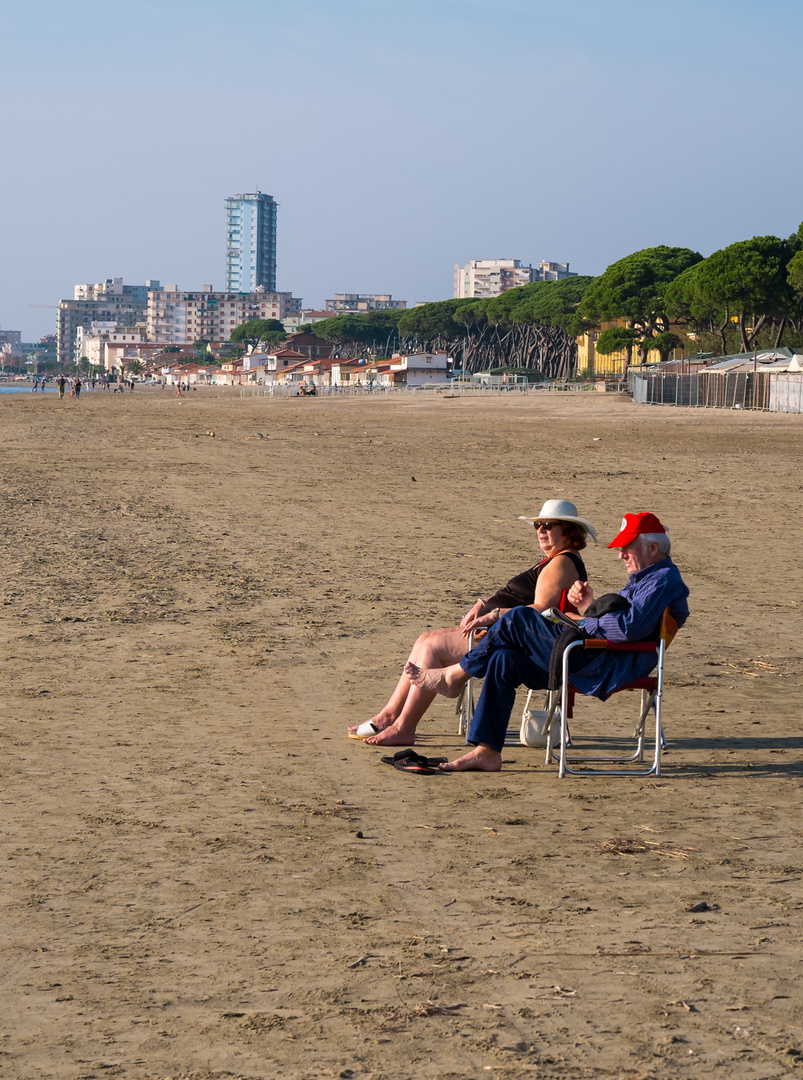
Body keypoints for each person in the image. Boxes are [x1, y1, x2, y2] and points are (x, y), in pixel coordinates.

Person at [405, 512, 690, 772]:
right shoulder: (645, 579)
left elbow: (627, 630)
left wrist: (585, 620)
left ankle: (455, 675)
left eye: (627, 547)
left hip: (600, 663)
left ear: (653, 548)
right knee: (504, 658)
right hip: (591, 652)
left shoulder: (663, 581)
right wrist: (589, 608)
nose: (621, 555)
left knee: (517, 619)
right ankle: (487, 750)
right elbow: (618, 623)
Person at [350, 500, 597, 747]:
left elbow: (540, 610)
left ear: (567, 530)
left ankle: (404, 727)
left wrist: (495, 613)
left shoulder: (562, 562)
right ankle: (389, 715)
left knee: (432, 648)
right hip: (496, 627)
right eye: (537, 525)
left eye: (548, 525)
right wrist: (483, 603)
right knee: (425, 638)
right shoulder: (554, 559)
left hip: (506, 636)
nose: (540, 530)